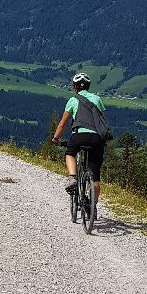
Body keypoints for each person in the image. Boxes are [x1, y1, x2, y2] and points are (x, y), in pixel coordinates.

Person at [51, 72, 107, 200]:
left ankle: (73, 178)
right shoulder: (97, 99)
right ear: (88, 86)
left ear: (75, 87)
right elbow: (102, 121)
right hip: (96, 138)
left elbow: (62, 123)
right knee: (95, 174)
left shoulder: (73, 100)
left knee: (70, 153)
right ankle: (93, 205)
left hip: (78, 136)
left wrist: (55, 138)